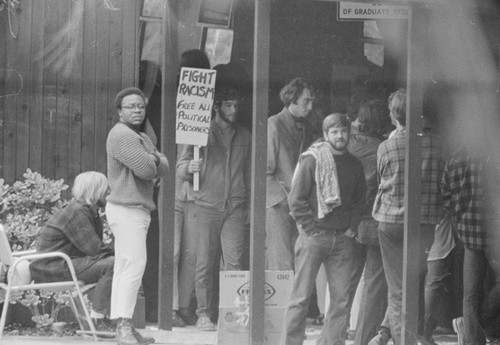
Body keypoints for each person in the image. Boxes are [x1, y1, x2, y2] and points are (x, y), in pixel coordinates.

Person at [281, 113, 366, 345]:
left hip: (342, 241)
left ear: (349, 133)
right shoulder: (312, 160)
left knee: (340, 301)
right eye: (335, 132)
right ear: (326, 134)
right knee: (300, 298)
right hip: (314, 237)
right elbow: (295, 199)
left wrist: (351, 228)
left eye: (343, 131)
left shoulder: (355, 165)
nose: (340, 136)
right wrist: (310, 228)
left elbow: (360, 201)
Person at [369, 89, 443, 345]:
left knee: (398, 288)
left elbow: (381, 182)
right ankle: (393, 335)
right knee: (412, 282)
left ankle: (399, 339)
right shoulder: (437, 143)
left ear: (394, 117)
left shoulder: (385, 147)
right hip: (424, 222)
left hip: (390, 222)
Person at [177, 85, 252, 331]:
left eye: (236, 105)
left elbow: (250, 173)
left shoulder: (245, 135)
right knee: (204, 261)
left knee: (234, 261)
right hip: (207, 202)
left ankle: (233, 315)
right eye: (228, 105)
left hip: (235, 205)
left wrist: (249, 204)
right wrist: (190, 169)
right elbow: (181, 166)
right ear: (216, 106)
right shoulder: (200, 132)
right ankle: (204, 314)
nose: (233, 110)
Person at [106, 87, 169, 345]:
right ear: (120, 112)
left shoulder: (139, 135)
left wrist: (153, 158)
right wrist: (154, 157)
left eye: (140, 106)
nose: (137, 110)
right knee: (134, 266)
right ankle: (123, 327)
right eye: (130, 106)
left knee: (125, 266)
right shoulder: (123, 135)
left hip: (132, 209)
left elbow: (163, 166)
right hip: (127, 208)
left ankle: (123, 325)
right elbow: (147, 168)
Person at [30, 171, 114, 332]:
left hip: (57, 264)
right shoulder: (77, 211)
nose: (108, 192)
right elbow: (95, 249)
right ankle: (97, 320)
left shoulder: (87, 210)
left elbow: (94, 249)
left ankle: (98, 316)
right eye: (105, 188)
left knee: (112, 263)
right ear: (94, 190)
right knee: (112, 264)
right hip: (52, 267)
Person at [442, 148, 500, 345]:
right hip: (495, 232)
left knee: (470, 296)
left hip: (469, 233)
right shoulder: (494, 152)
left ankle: (471, 337)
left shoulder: (455, 158)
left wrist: (460, 219)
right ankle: (483, 327)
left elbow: (446, 195)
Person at [173, 49, 212, 327]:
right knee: (179, 252)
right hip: (177, 190)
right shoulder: (175, 104)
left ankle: (182, 306)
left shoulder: (198, 106)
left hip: (188, 191)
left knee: (188, 253)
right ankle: (174, 306)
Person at [348, 100, 389, 345]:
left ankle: (336, 335)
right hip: (374, 221)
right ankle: (363, 339)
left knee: (345, 281)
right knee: (373, 283)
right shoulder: (383, 147)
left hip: (349, 222)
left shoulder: (346, 145)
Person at [266, 77, 315, 271]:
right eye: (306, 101)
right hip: (278, 203)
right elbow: (265, 171)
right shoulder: (274, 124)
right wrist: (287, 200)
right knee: (281, 260)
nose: (310, 107)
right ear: (292, 99)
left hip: (297, 205)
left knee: (297, 258)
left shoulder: (305, 126)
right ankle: (281, 302)